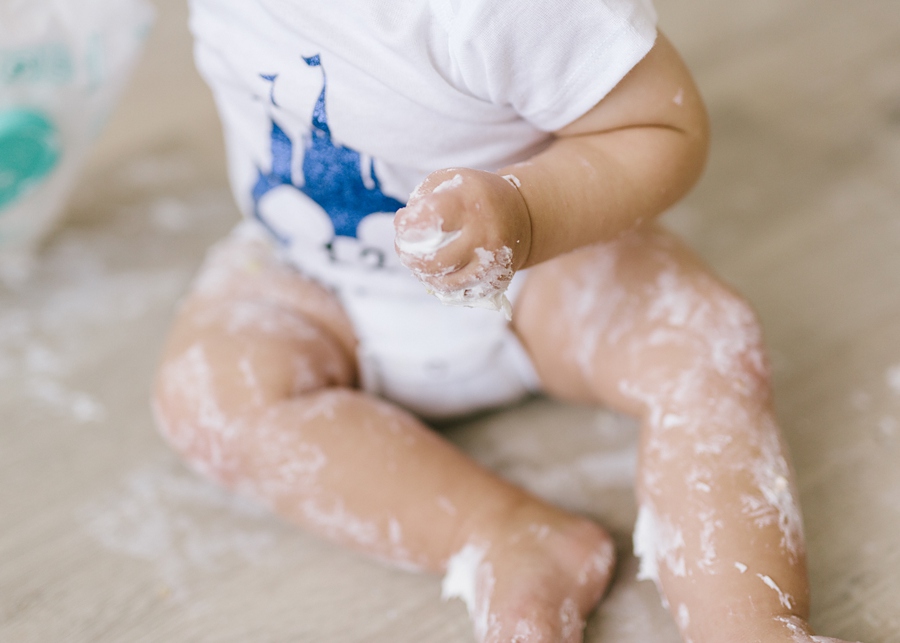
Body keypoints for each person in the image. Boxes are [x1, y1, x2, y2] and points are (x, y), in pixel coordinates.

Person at [153, 1, 859, 641]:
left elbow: (663, 127)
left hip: (542, 266)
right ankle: (503, 536)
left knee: (702, 341)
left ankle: (752, 624)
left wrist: (525, 214)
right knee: (205, 394)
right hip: (315, 278)